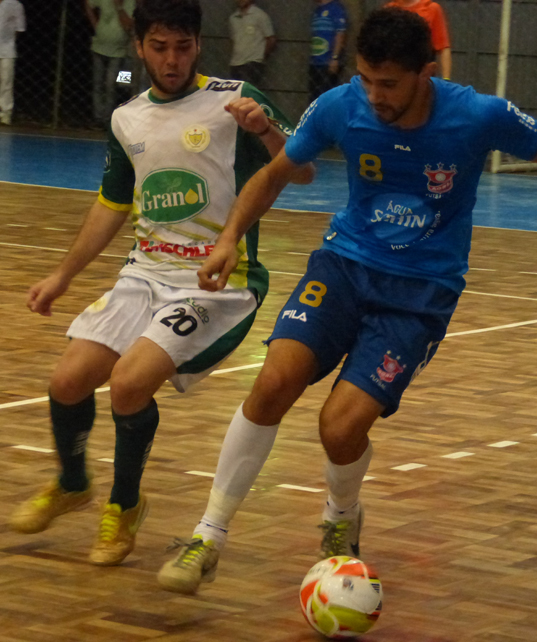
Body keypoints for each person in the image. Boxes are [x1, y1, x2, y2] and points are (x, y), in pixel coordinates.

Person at [156, 5, 537, 595]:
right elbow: (276, 171)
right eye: (366, 79)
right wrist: (228, 238)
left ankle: (340, 516)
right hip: (344, 265)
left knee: (339, 428)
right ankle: (209, 534)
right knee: (274, 381)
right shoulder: (343, 106)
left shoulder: (476, 116)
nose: (375, 95)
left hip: (420, 294)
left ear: (425, 72)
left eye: (389, 84)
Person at [9, 0, 312, 568]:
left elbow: (303, 170)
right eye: (159, 47)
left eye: (183, 46)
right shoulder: (127, 118)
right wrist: (62, 275)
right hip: (144, 274)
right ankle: (74, 484)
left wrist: (267, 130)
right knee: (67, 381)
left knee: (128, 385)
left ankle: (124, 507)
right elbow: (111, 206)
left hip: (215, 283)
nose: (172, 60)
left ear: (199, 44)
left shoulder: (236, 101)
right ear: (140, 46)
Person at [84, 0, 136, 127]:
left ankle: (107, 119)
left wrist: (119, 7)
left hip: (119, 51)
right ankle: (98, 118)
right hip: (99, 46)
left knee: (111, 85)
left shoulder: (131, 3)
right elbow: (88, 4)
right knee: (97, 84)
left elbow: (128, 26)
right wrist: (95, 24)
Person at [385, 0, 451, 80]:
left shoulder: (432, 8)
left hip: (423, 73)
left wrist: (446, 79)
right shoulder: (389, 9)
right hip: (394, 72)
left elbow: (443, 47)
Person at [229, 0, 276, 89]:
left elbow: (271, 39)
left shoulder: (260, 16)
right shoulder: (233, 18)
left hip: (252, 62)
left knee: (248, 91)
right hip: (235, 63)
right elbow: (232, 39)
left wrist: (260, 56)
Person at [309, 0, 348, 103]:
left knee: (327, 96)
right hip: (315, 61)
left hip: (327, 61)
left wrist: (335, 58)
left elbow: (340, 34)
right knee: (314, 97)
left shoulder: (335, 8)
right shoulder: (317, 10)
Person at [0, 0, 25, 126]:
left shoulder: (15, 5)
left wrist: (8, 40)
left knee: (6, 81)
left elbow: (19, 28)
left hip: (7, 49)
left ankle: (5, 113)